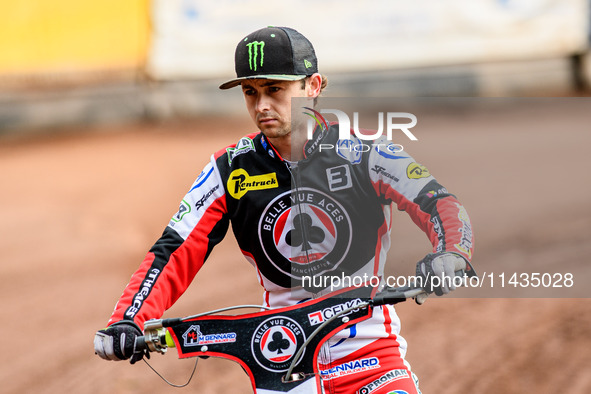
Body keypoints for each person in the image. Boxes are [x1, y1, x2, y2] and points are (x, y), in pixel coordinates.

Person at [94, 26, 475, 394]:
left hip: (372, 359)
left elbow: (438, 202)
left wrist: (452, 252)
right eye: (250, 92)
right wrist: (128, 318)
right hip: (282, 362)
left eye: (274, 89)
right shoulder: (229, 169)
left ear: (313, 86)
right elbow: (176, 248)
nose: (261, 105)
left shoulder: (365, 152)